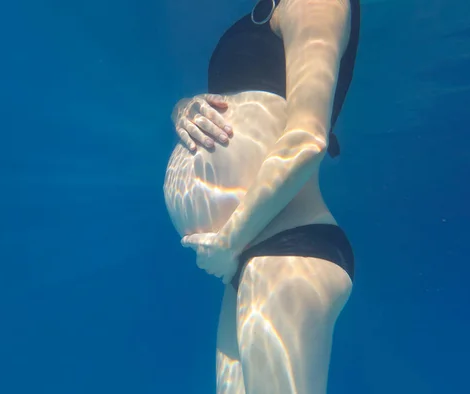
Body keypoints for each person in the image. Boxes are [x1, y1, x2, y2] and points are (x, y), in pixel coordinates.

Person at [163, 0, 360, 392]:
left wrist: (229, 240)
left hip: (287, 249)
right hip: (247, 255)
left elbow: (308, 139)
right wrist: (183, 109)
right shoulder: (265, 12)